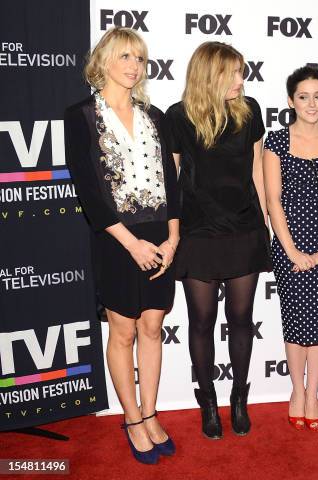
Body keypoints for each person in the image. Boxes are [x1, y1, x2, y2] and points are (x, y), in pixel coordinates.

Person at [64, 27, 179, 464]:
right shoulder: (80, 116)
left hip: (159, 236)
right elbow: (90, 191)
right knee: (125, 329)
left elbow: (173, 184)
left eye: (140, 58)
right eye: (126, 56)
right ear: (105, 61)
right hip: (116, 239)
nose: (134, 66)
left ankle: (150, 413)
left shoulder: (156, 117)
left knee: (153, 327)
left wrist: (173, 237)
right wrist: (131, 243)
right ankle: (131, 419)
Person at [164, 42, 270, 438]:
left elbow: (258, 171)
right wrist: (172, 233)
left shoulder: (250, 110)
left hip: (244, 229)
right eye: (234, 73)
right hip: (198, 232)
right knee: (201, 321)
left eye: (243, 72)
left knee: (241, 320)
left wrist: (268, 226)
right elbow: (171, 182)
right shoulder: (179, 116)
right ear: (211, 75)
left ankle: (239, 400)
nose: (242, 80)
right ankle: (208, 403)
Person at [263, 66, 318, 432]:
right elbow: (273, 201)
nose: (311, 103)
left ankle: (313, 393)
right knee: (296, 319)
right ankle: (296, 390)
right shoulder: (276, 142)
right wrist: (293, 251)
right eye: (303, 96)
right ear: (290, 101)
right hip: (288, 245)